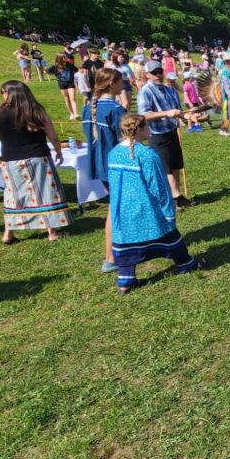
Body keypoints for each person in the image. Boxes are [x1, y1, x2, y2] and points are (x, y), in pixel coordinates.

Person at [108, 114, 199, 294]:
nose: (150, 130)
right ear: (139, 130)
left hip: (123, 210)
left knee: (125, 246)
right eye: (147, 127)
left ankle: (125, 281)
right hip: (146, 208)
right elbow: (159, 186)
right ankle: (187, 264)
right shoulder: (147, 155)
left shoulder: (114, 153)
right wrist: (168, 211)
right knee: (170, 237)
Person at [0, 81, 71, 243]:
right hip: (39, 157)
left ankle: (8, 233)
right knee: (45, 193)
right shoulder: (36, 110)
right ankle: (52, 232)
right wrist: (58, 150)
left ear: (7, 93)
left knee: (13, 195)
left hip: (10, 160)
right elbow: (52, 135)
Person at [82, 68, 127, 272]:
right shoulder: (115, 110)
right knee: (115, 208)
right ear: (111, 84)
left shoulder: (89, 107)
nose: (123, 85)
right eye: (121, 82)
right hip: (116, 165)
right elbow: (126, 140)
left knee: (117, 206)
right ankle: (110, 257)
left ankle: (123, 247)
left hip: (100, 165)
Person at [136, 60, 193, 209]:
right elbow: (144, 115)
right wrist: (167, 113)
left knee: (175, 166)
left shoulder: (169, 90)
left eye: (160, 71)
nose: (158, 75)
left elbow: (178, 111)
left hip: (172, 132)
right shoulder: (145, 91)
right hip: (157, 135)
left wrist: (188, 117)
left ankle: (177, 196)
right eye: (154, 73)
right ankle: (171, 199)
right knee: (165, 169)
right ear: (147, 74)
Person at [48, 53, 79, 120]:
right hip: (62, 84)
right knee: (67, 99)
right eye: (64, 57)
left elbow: (76, 70)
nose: (66, 58)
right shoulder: (55, 66)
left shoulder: (69, 65)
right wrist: (56, 75)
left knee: (72, 98)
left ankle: (76, 114)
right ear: (60, 59)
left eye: (66, 57)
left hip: (70, 84)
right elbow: (48, 71)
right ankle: (71, 114)